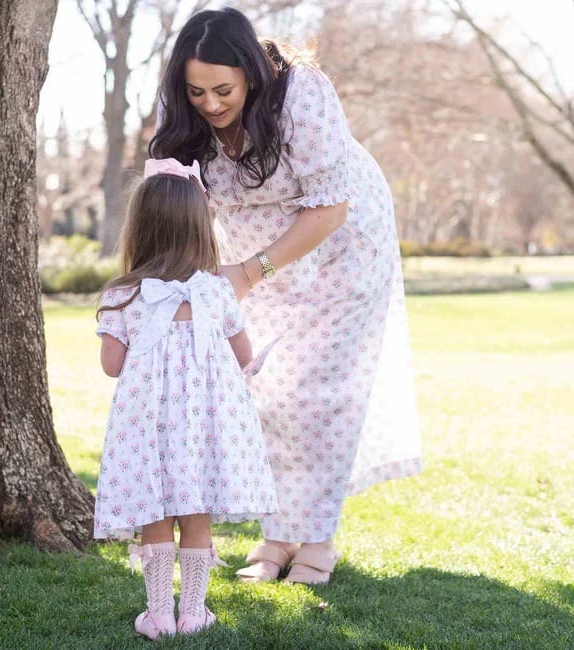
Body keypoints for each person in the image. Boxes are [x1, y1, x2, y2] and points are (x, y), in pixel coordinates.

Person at [150, 7, 422, 585]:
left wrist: (251, 271)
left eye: (223, 89)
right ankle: (275, 540)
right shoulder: (183, 106)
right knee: (268, 392)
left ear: (252, 72)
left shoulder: (303, 94)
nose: (211, 103)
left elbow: (330, 206)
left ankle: (317, 541)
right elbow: (170, 200)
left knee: (321, 397)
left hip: (341, 246)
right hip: (252, 256)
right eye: (197, 91)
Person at [94, 158, 278, 639]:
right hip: (202, 431)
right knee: (196, 515)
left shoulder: (126, 295)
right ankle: (193, 612)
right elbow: (244, 354)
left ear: (140, 229)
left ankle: (158, 615)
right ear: (201, 227)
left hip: (149, 431)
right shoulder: (217, 293)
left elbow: (112, 364)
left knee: (156, 515)